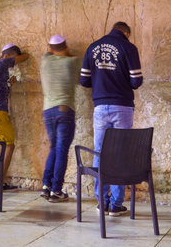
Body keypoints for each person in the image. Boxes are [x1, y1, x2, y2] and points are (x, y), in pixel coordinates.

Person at [79, 21, 143, 216]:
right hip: (122, 106)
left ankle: (102, 202)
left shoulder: (92, 47)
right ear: (127, 33)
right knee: (120, 153)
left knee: (100, 152)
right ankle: (116, 204)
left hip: (99, 106)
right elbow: (136, 81)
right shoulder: (129, 47)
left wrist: (101, 81)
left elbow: (83, 80)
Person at [0, 43, 29, 191]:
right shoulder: (2, 62)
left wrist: (9, 85)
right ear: (7, 56)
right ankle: (0, 181)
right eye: (12, 58)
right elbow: (25, 57)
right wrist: (21, 55)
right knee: (9, 144)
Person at [40, 35, 80, 202]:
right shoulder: (73, 62)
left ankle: (46, 186)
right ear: (66, 46)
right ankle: (56, 189)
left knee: (53, 148)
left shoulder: (45, 60)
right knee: (61, 150)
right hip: (65, 110)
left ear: (50, 49)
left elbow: (49, 52)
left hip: (48, 111)